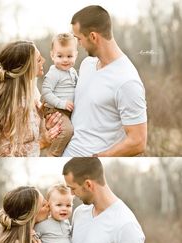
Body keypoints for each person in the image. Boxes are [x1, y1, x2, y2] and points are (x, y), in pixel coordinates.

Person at [62, 5, 147, 157]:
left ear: (93, 37)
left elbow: (138, 141)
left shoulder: (127, 81)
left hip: (89, 159)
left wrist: (101, 157)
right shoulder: (87, 64)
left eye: (79, 38)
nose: (78, 44)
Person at [0, 40, 61, 157]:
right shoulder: (16, 106)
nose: (43, 61)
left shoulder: (32, 90)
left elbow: (27, 135)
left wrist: (42, 120)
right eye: (38, 60)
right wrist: (43, 142)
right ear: (26, 69)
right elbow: (6, 153)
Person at [42, 33, 78, 156]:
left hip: (66, 109)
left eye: (69, 56)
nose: (65, 60)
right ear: (52, 55)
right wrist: (61, 104)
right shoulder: (54, 73)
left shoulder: (73, 72)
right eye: (60, 56)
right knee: (67, 130)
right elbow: (46, 92)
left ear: (76, 55)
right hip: (55, 109)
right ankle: (53, 154)